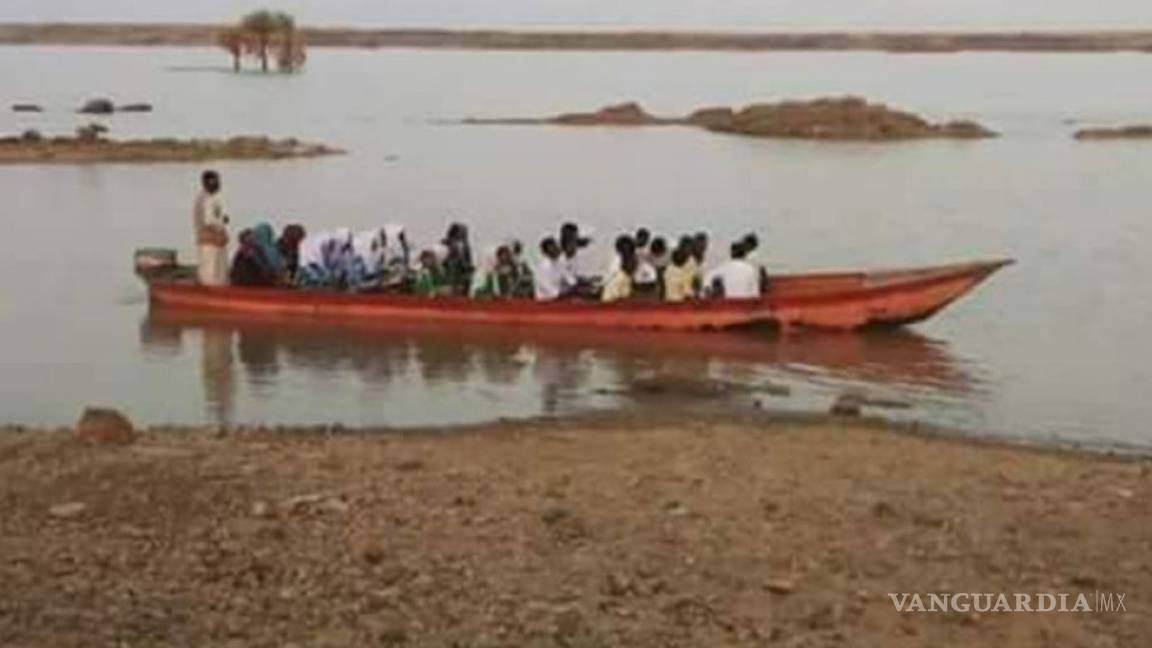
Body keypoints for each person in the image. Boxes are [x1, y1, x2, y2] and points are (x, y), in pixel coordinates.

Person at [193, 170, 229, 286]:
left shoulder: (210, 198)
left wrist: (223, 221)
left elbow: (215, 219)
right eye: (216, 181)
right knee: (211, 274)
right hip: (210, 242)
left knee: (217, 272)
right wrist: (219, 236)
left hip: (214, 242)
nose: (219, 184)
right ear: (208, 183)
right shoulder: (206, 200)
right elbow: (208, 224)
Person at [534, 236, 577, 301]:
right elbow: (550, 290)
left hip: (560, 299)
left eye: (556, 246)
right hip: (546, 302)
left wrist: (579, 286)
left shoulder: (559, 263)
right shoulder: (543, 267)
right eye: (553, 248)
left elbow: (570, 280)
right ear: (546, 252)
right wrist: (568, 291)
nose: (557, 249)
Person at [440, 222, 474, 296]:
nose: (465, 234)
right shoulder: (446, 244)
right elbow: (442, 260)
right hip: (449, 274)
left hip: (462, 275)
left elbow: (468, 260)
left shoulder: (466, 246)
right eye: (463, 232)